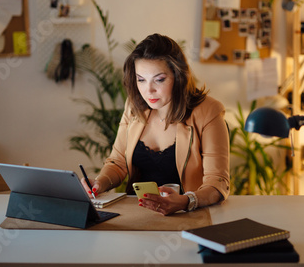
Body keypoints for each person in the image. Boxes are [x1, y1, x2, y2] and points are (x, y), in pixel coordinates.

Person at [81, 33, 230, 215]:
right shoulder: (134, 107)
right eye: (141, 79)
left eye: (159, 79)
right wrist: (99, 183)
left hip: (190, 215)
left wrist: (186, 201)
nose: (148, 90)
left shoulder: (209, 112)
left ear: (178, 76)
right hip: (139, 215)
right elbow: (117, 163)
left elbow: (217, 182)